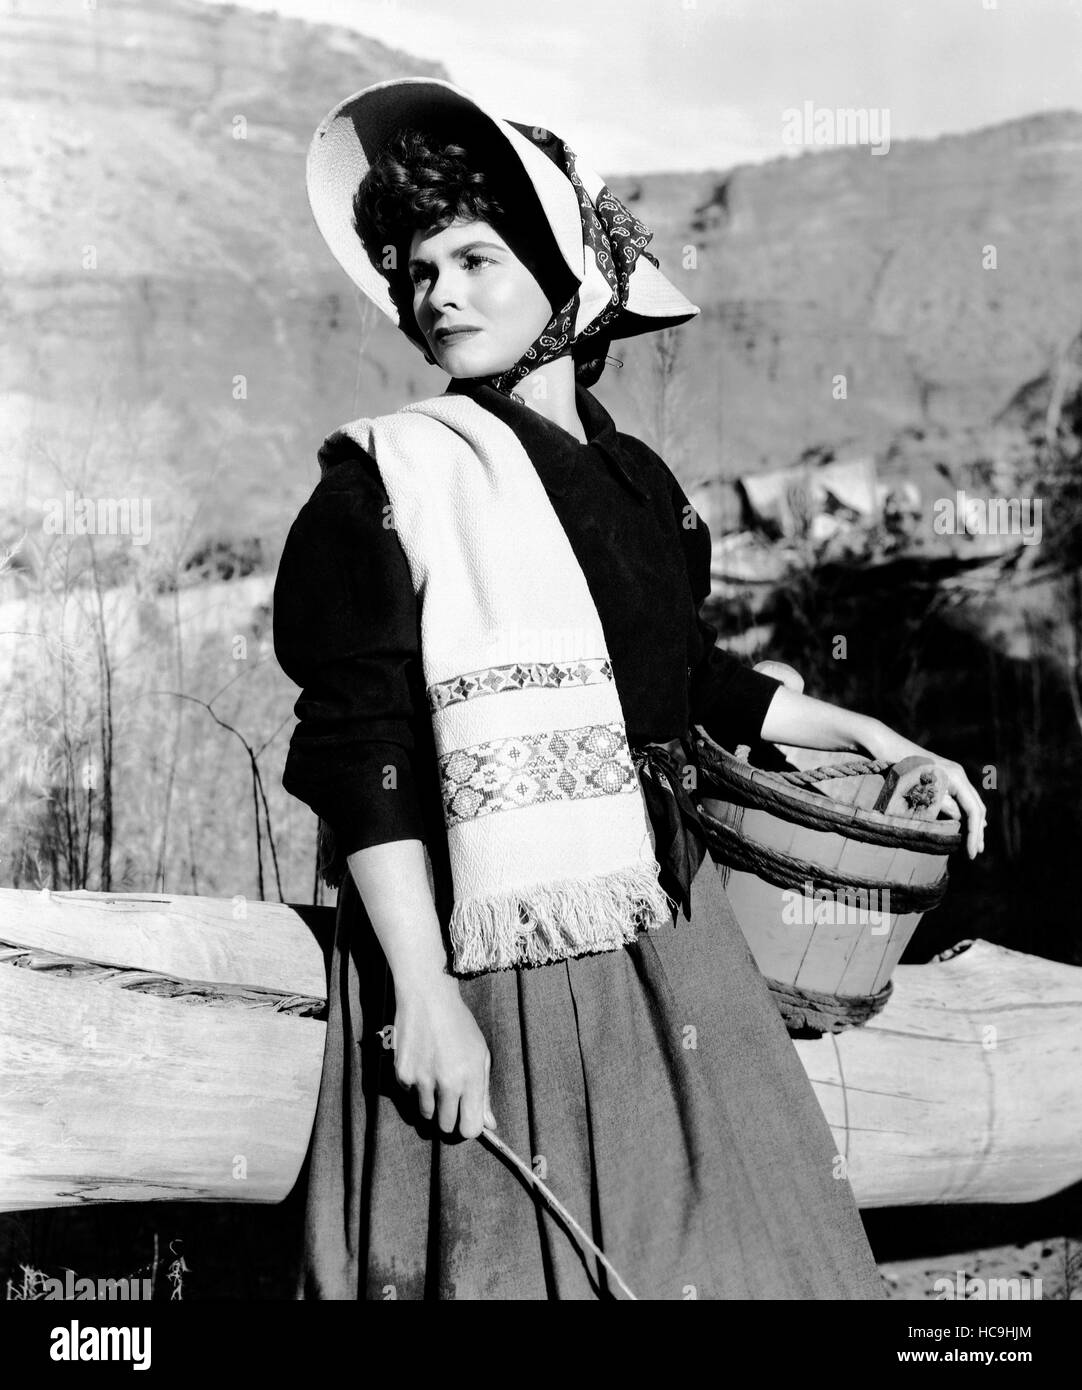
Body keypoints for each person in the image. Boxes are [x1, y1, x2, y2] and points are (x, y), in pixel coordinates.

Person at [274, 78, 986, 1301]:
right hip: (487, 945)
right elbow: (367, 757)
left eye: (475, 258)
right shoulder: (386, 487)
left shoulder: (635, 480)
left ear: (563, 276)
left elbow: (685, 680)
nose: (434, 293)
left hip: (667, 934)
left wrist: (861, 727)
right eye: (417, 268)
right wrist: (425, 1000)